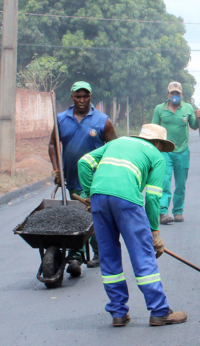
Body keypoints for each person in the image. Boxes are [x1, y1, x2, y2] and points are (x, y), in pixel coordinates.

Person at [78, 123, 188, 328]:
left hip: (99, 198)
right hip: (127, 201)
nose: (162, 150)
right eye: (162, 146)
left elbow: (84, 163)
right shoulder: (156, 155)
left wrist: (89, 194)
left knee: (109, 256)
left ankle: (118, 313)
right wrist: (154, 233)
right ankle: (159, 311)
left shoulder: (116, 142)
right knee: (142, 255)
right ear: (158, 143)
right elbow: (154, 198)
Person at [49, 80, 117, 276]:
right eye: (78, 96)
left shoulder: (102, 120)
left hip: (96, 180)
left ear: (90, 97)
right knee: (78, 216)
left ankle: (98, 252)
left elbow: (114, 148)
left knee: (95, 216)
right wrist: (56, 170)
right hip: (72, 179)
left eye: (85, 96)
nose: (81, 100)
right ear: (72, 97)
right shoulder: (61, 119)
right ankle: (77, 257)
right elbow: (53, 145)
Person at [151, 81, 200, 225]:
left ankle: (178, 211)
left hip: (182, 151)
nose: (175, 96)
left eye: (178, 94)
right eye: (172, 93)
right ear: (168, 94)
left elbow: (193, 125)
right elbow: (154, 129)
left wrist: (199, 118)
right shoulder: (159, 109)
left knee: (181, 183)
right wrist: (154, 150)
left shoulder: (187, 108)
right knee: (165, 181)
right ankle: (163, 212)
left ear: (181, 95)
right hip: (165, 151)